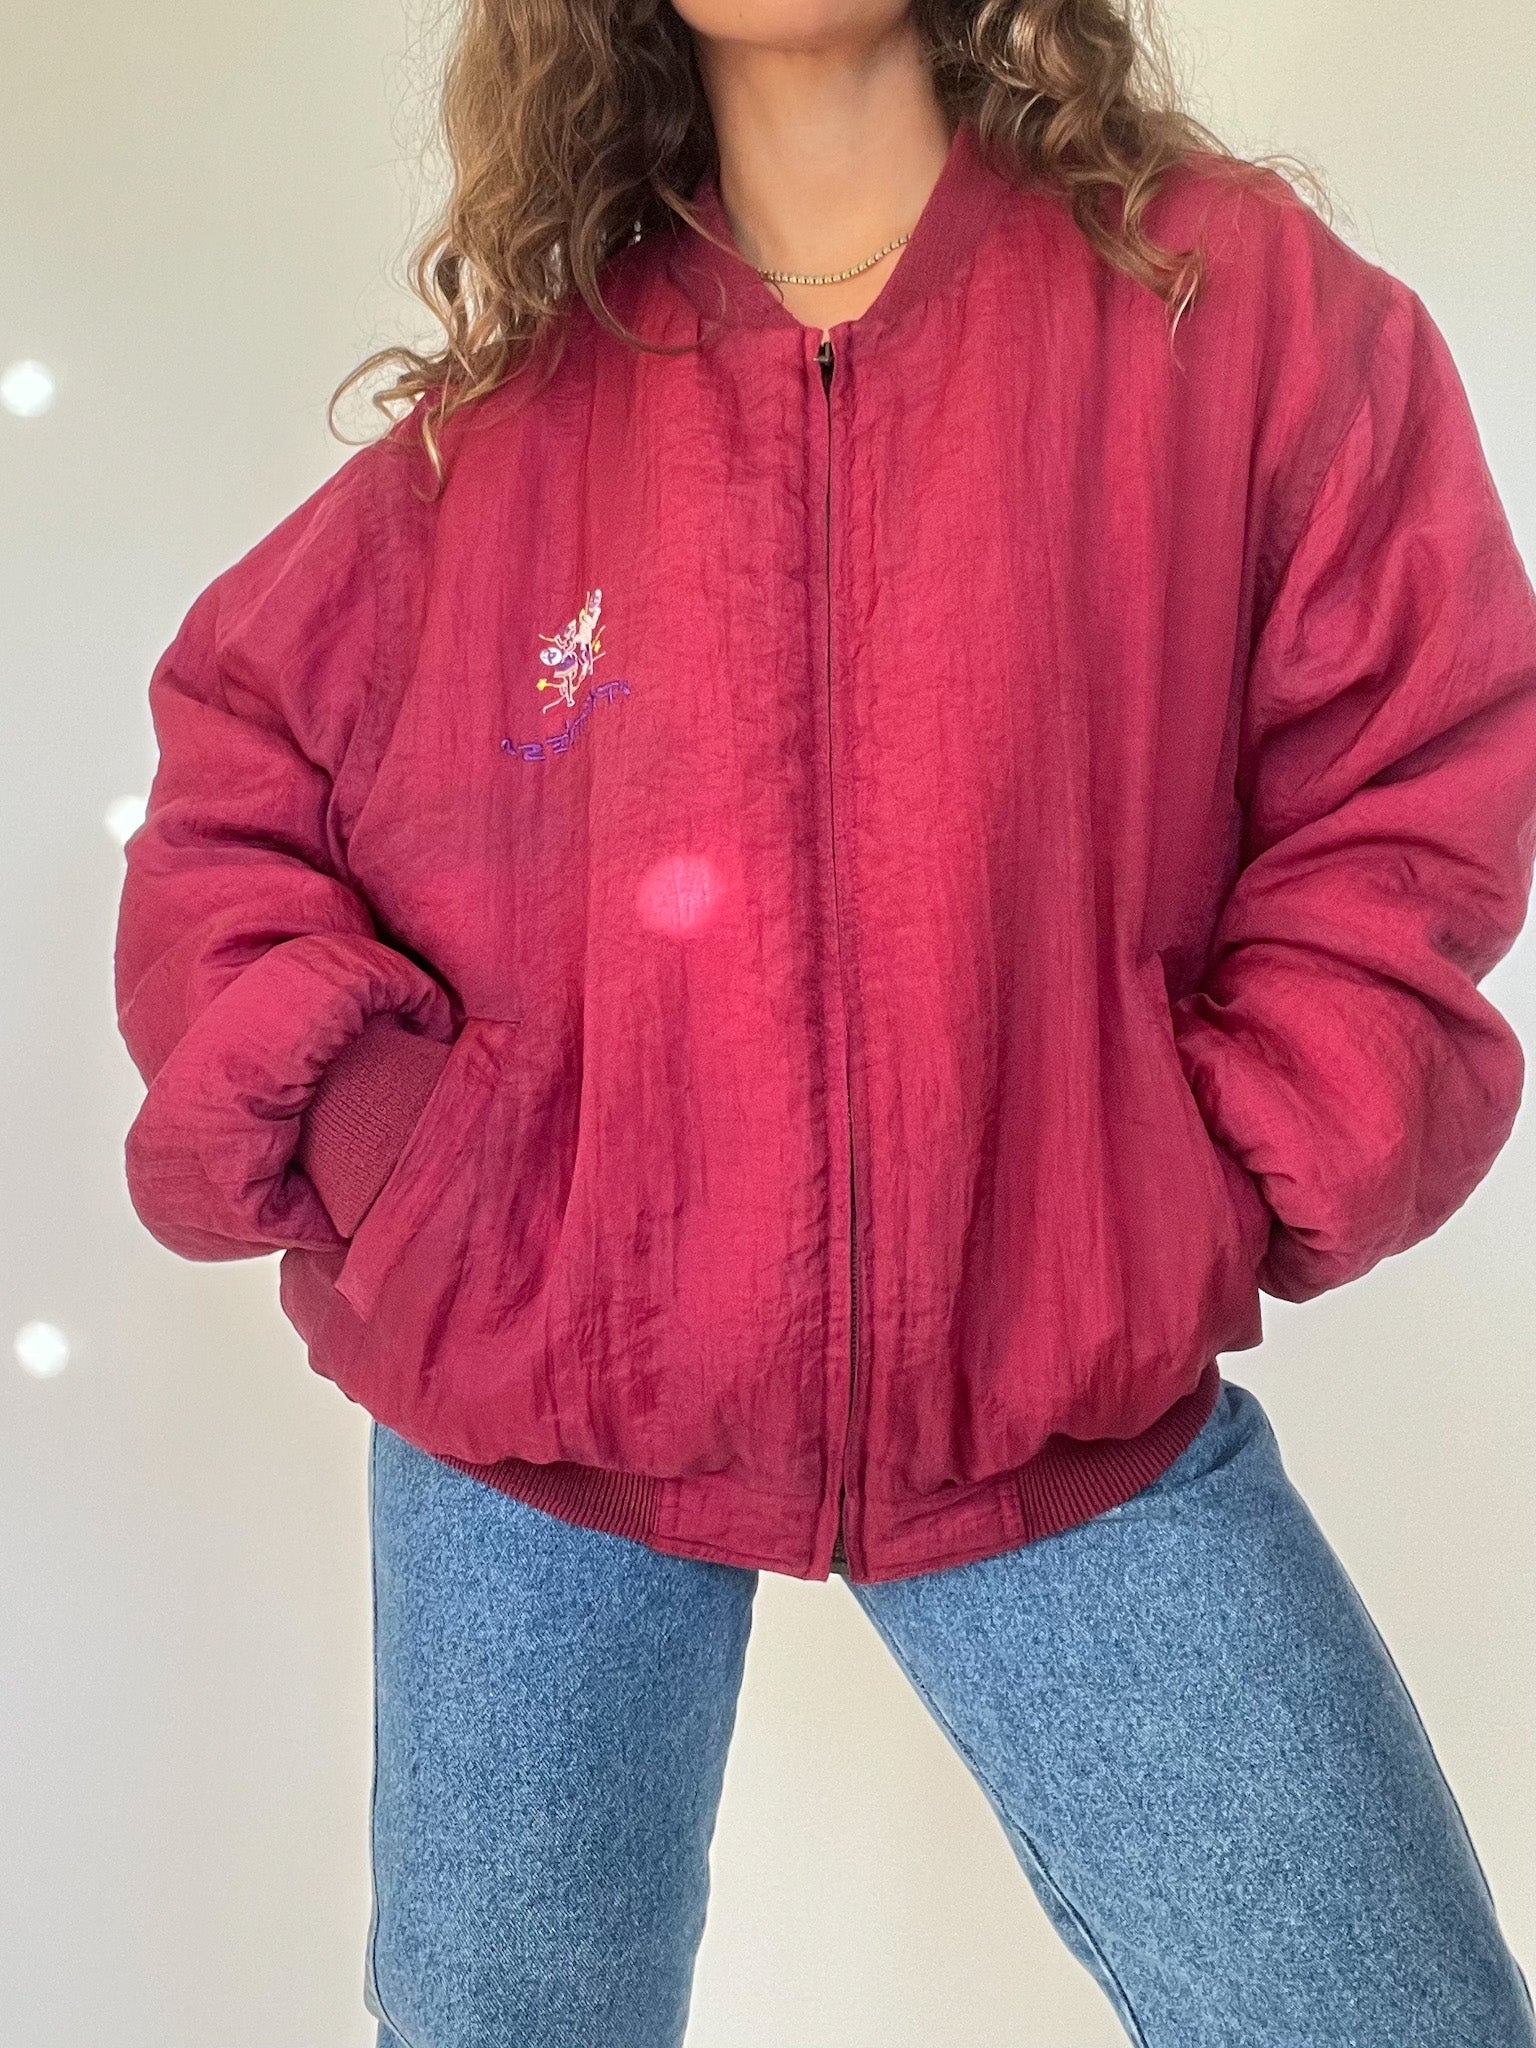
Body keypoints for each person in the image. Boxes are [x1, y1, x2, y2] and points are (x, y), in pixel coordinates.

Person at [112, 0, 1536, 2039]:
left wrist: (1186, 1171)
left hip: (1046, 1380)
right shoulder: (518, 411)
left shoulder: (1232, 309)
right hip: (535, 1394)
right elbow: (235, 773)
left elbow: (1412, 782)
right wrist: (403, 1155)